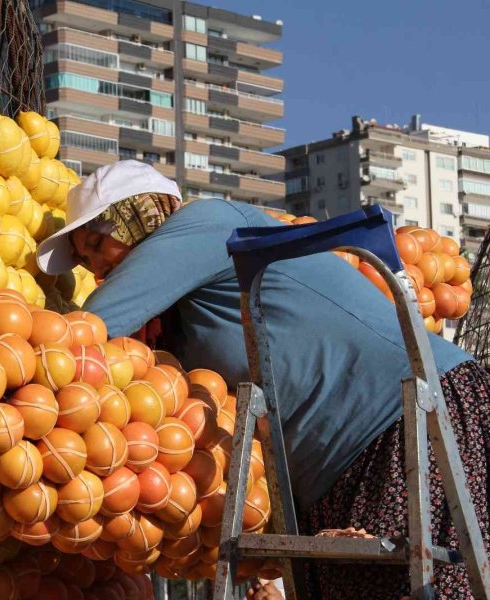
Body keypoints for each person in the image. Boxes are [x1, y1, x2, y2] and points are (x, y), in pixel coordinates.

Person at [36, 160, 490, 599]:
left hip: (404, 419)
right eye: (84, 259)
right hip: (342, 462)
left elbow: (86, 328)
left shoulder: (204, 223)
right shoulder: (179, 316)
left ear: (140, 213)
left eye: (98, 244)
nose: (94, 268)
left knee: (433, 583)